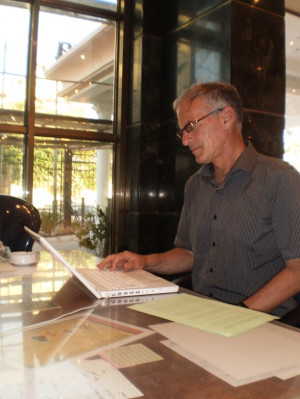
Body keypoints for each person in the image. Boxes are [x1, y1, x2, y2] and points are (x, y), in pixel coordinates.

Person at [99, 82, 300, 317]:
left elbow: (297, 270)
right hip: (203, 315)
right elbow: (190, 253)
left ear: (226, 117)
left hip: (265, 325)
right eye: (182, 131)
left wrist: (237, 316)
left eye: (191, 127)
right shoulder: (195, 185)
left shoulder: (279, 179)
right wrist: (144, 261)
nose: (185, 140)